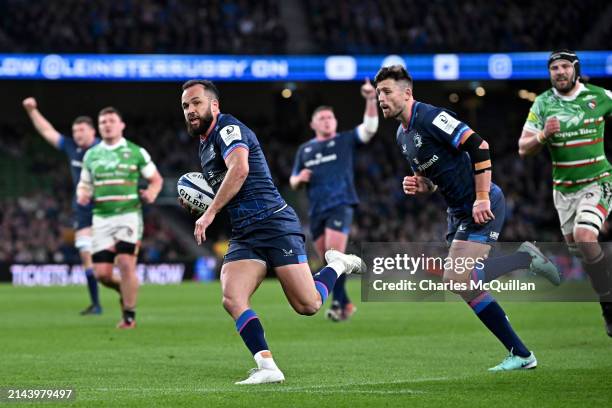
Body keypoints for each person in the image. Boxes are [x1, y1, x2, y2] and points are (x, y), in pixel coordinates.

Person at [374, 65, 560, 371]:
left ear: (407, 93)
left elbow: (479, 145)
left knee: (457, 279)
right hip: (457, 211)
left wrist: (482, 197)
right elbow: (433, 179)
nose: (381, 98)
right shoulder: (401, 135)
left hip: (482, 203)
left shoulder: (431, 117)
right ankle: (522, 351)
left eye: (387, 91)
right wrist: (422, 185)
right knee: (463, 283)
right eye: (378, 92)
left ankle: (523, 342)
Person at [180, 79, 366, 385]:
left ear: (214, 105)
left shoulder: (229, 129)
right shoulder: (203, 145)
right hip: (245, 233)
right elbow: (227, 188)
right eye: (186, 106)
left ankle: (337, 264)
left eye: (197, 102)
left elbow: (240, 169)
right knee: (232, 296)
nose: (190, 110)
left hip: (274, 223)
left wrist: (210, 212)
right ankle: (267, 366)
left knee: (308, 305)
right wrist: (202, 205)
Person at [518, 49, 612, 336]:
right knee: (578, 248)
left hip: (597, 180)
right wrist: (544, 135)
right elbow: (523, 148)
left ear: (575, 69)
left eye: (564, 67)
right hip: (564, 191)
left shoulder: (601, 96)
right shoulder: (543, 104)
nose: (559, 72)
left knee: (586, 237)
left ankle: (608, 306)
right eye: (554, 68)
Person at [289, 79, 378, 322]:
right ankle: (345, 304)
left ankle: (339, 305)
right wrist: (300, 178)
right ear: (313, 124)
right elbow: (293, 180)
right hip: (317, 210)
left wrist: (371, 98)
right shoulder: (305, 150)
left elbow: (369, 128)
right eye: (323, 118)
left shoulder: (344, 140)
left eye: (331, 117)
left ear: (336, 122)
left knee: (334, 255)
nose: (328, 121)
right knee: (331, 262)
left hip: (341, 205)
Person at [76, 107, 163, 329]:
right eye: (103, 121)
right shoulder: (91, 155)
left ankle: (129, 316)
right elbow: (84, 184)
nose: (107, 124)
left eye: (111, 120)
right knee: (102, 274)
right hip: (101, 218)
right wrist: (82, 193)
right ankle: (125, 290)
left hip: (128, 215)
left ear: (121, 125)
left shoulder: (135, 152)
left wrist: (151, 193)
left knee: (125, 263)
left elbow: (156, 180)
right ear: (99, 127)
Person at [22, 97, 102, 315]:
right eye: (75, 131)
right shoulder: (71, 147)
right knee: (85, 253)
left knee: (108, 263)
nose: (77, 134)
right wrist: (32, 111)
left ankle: (126, 301)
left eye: (82, 130)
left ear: (92, 131)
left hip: (107, 210)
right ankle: (96, 304)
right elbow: (47, 131)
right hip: (84, 211)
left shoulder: (105, 149)